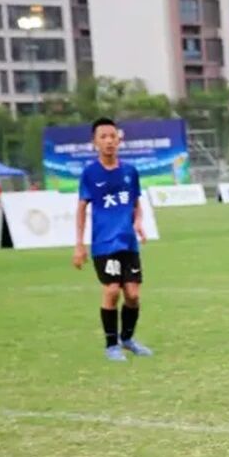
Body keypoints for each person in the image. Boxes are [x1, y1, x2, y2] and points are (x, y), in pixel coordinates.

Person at [73, 116, 153, 362]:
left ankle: (127, 339)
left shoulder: (130, 172)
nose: (109, 141)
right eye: (103, 137)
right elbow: (81, 209)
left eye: (112, 136)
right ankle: (111, 345)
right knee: (112, 291)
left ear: (119, 140)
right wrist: (79, 245)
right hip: (104, 244)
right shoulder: (90, 174)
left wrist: (138, 222)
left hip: (128, 242)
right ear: (95, 142)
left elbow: (136, 204)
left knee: (133, 295)